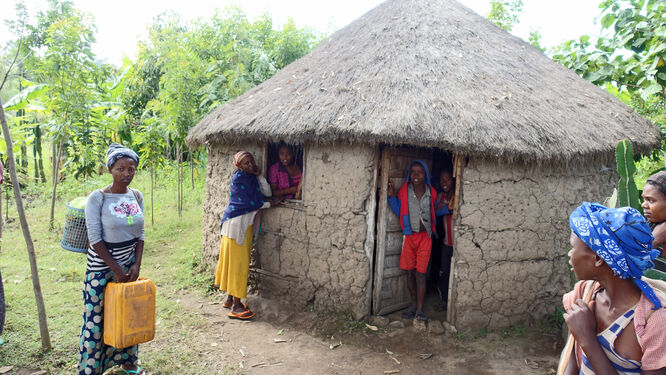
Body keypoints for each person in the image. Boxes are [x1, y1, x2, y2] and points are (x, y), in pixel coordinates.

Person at [560, 202, 666, 375]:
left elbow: (581, 339)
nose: (570, 254)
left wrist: (588, 339)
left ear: (598, 259)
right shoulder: (585, 293)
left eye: (573, 247)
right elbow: (569, 358)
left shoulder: (654, 322)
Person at [80, 143, 145, 375]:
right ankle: (91, 369)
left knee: (128, 316)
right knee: (96, 320)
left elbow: (141, 234)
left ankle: (128, 362)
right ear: (110, 169)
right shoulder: (97, 198)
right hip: (101, 269)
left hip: (128, 267)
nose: (127, 174)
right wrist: (115, 268)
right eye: (121, 169)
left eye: (131, 169)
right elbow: (95, 239)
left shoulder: (137, 195)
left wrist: (136, 264)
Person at [387, 160, 447, 321]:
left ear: (425, 175)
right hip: (409, 236)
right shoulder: (404, 191)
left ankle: (420, 309)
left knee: (421, 274)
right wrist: (392, 198)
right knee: (410, 273)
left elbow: (435, 211)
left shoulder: (431, 192)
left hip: (425, 238)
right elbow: (400, 211)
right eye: (413, 171)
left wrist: (449, 207)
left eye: (419, 172)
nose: (415, 175)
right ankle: (413, 304)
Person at [216, 151, 272, 320]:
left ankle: (230, 298)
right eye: (246, 163)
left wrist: (259, 175)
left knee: (233, 263)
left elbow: (267, 192)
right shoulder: (238, 179)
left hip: (239, 226)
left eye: (251, 161)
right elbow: (247, 203)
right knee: (238, 265)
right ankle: (236, 305)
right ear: (238, 166)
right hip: (236, 227)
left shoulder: (251, 178)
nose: (250, 165)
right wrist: (269, 204)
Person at [433, 170, 455, 308]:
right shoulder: (440, 196)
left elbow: (458, 208)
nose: (444, 183)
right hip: (447, 242)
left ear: (453, 180)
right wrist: (449, 208)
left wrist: (447, 207)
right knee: (444, 271)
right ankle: (444, 301)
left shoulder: (460, 193)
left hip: (460, 243)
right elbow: (435, 211)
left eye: (447, 179)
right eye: (442, 180)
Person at [642, 171, 666, 281]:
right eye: (644, 199)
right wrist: (654, 240)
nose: (644, 205)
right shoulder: (645, 230)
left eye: (651, 200)